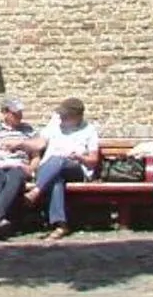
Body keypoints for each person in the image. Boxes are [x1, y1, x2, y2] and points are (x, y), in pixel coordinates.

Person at [25, 96, 102, 239]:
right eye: (61, 114)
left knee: (59, 159)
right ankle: (60, 225)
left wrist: (80, 157)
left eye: (65, 115)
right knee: (56, 180)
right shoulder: (55, 124)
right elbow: (40, 144)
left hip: (75, 169)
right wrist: (21, 144)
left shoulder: (89, 130)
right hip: (49, 169)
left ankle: (36, 190)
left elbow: (93, 161)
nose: (61, 117)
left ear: (77, 116)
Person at [0, 100, 35, 239]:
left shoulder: (28, 131)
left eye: (20, 113)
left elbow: (36, 155)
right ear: (5, 113)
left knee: (15, 175)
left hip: (18, 164)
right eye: (15, 113)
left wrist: (31, 168)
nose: (19, 116)